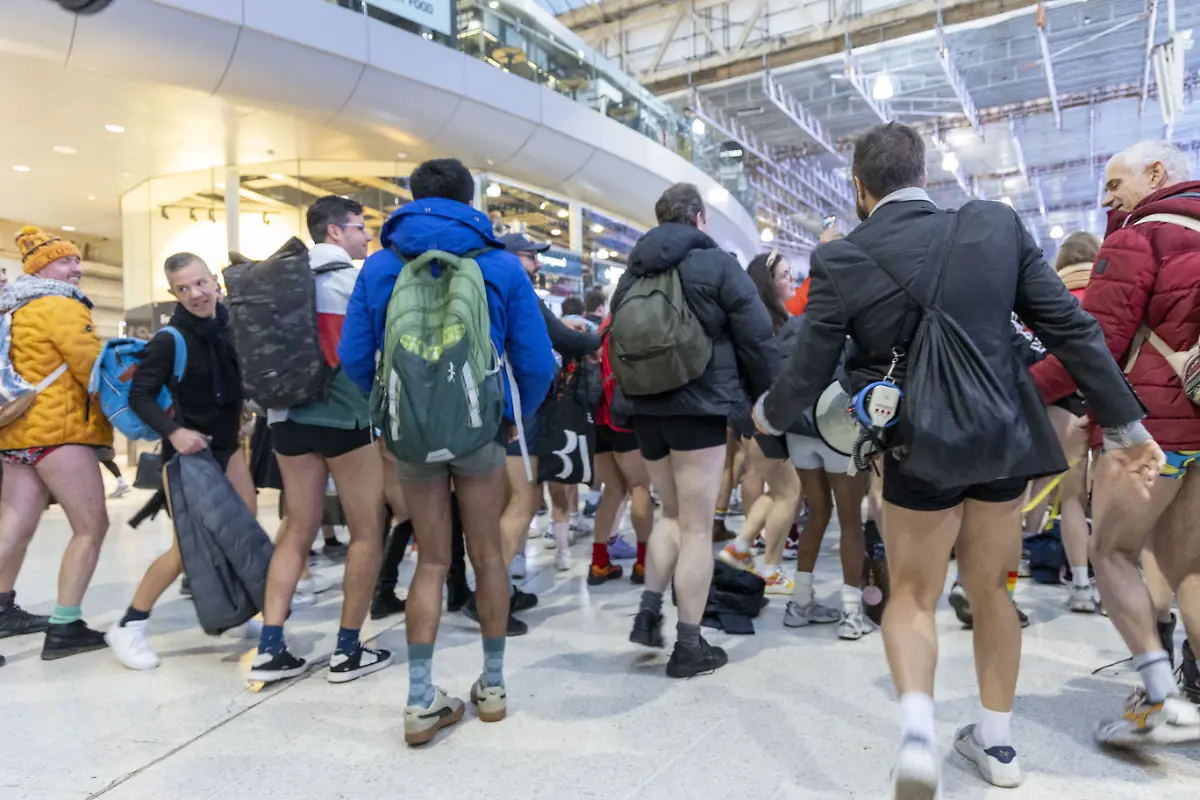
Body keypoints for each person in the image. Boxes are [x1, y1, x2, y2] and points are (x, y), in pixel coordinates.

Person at [752, 123, 1159, 796]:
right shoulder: (995, 228)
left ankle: (917, 738)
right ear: (922, 175)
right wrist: (1126, 423)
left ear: (860, 189)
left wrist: (766, 415)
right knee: (991, 588)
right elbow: (1072, 329)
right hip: (1001, 439)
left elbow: (808, 370)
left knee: (912, 593)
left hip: (917, 443)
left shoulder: (842, 259)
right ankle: (997, 746)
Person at [339, 158, 555, 745]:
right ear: (469, 197)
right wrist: (513, 419)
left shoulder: (381, 265)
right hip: (480, 429)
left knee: (431, 561)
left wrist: (387, 416)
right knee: (488, 555)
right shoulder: (501, 266)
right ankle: (491, 687)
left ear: (412, 198)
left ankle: (419, 698)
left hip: (410, 434)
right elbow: (536, 361)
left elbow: (355, 357)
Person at [1030, 139, 1200, 744]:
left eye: (1113, 185)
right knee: (1190, 568)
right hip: (1196, 426)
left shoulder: (1138, 237)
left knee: (1112, 554)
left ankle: (1162, 700)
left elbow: (1092, 344)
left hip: (1148, 431)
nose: (1107, 198)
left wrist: (1020, 388)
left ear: (1156, 173)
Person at [619, 182, 776, 678]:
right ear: (700, 219)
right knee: (695, 526)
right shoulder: (716, 264)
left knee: (669, 513)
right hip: (699, 407)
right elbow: (756, 336)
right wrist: (765, 401)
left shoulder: (633, 270)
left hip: (646, 409)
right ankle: (689, 646)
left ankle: (648, 610)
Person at [249, 196, 391, 684]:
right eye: (359, 227)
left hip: (285, 418)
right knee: (368, 530)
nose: (366, 236)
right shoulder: (356, 282)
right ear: (334, 232)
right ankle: (348, 650)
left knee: (296, 527)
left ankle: (270, 647)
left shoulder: (276, 282)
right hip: (344, 415)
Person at [105, 253, 254, 670]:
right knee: (186, 550)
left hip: (226, 449)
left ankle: (242, 610)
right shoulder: (170, 339)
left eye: (201, 283)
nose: (196, 294)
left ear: (215, 282)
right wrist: (174, 432)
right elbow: (140, 396)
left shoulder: (227, 326)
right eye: (183, 289)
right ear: (173, 294)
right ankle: (129, 626)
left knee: (243, 533)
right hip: (187, 458)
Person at [0, 226, 113, 659]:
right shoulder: (60, 308)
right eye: (66, 261)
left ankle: (2, 608)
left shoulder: (15, 309)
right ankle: (66, 627)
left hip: (16, 434)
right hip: (58, 433)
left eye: (76, 260)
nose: (77, 269)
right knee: (90, 525)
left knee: (13, 527)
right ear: (42, 267)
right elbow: (92, 370)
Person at [496, 232, 600, 582]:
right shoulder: (517, 289)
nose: (537, 263)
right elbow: (564, 339)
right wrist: (597, 336)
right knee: (522, 501)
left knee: (508, 500)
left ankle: (505, 572)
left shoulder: (490, 288)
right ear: (511, 258)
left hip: (497, 412)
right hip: (521, 413)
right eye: (530, 256)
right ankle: (493, 590)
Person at [718, 251, 803, 597]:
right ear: (769, 282)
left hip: (757, 417)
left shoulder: (758, 318)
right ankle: (770, 568)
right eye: (785, 275)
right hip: (765, 417)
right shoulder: (767, 323)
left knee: (779, 490)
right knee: (790, 492)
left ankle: (739, 546)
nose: (791, 281)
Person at [588, 314, 653, 586]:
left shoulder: (604, 325)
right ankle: (644, 563)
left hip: (598, 417)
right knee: (640, 487)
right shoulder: (638, 322)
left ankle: (599, 562)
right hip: (625, 417)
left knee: (613, 490)